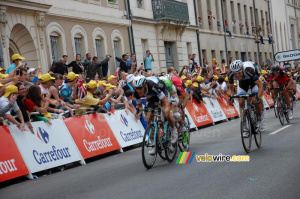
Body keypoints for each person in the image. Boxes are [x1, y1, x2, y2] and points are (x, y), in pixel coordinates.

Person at [133, 75, 177, 155]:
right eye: (137, 88)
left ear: (145, 85)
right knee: (148, 118)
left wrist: (167, 110)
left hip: (162, 91)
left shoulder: (153, 86)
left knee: (165, 113)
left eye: (140, 88)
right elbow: (139, 106)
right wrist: (140, 112)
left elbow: (166, 102)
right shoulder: (136, 92)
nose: (139, 91)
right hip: (151, 97)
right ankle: (153, 143)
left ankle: (173, 130)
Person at [228, 60, 265, 134]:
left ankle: (260, 117)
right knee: (241, 101)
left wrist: (258, 97)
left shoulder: (249, 71)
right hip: (242, 84)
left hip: (253, 83)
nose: (237, 75)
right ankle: (244, 125)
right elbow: (231, 89)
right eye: (235, 73)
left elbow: (260, 86)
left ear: (242, 69)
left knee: (255, 100)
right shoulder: (231, 74)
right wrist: (231, 97)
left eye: (239, 72)